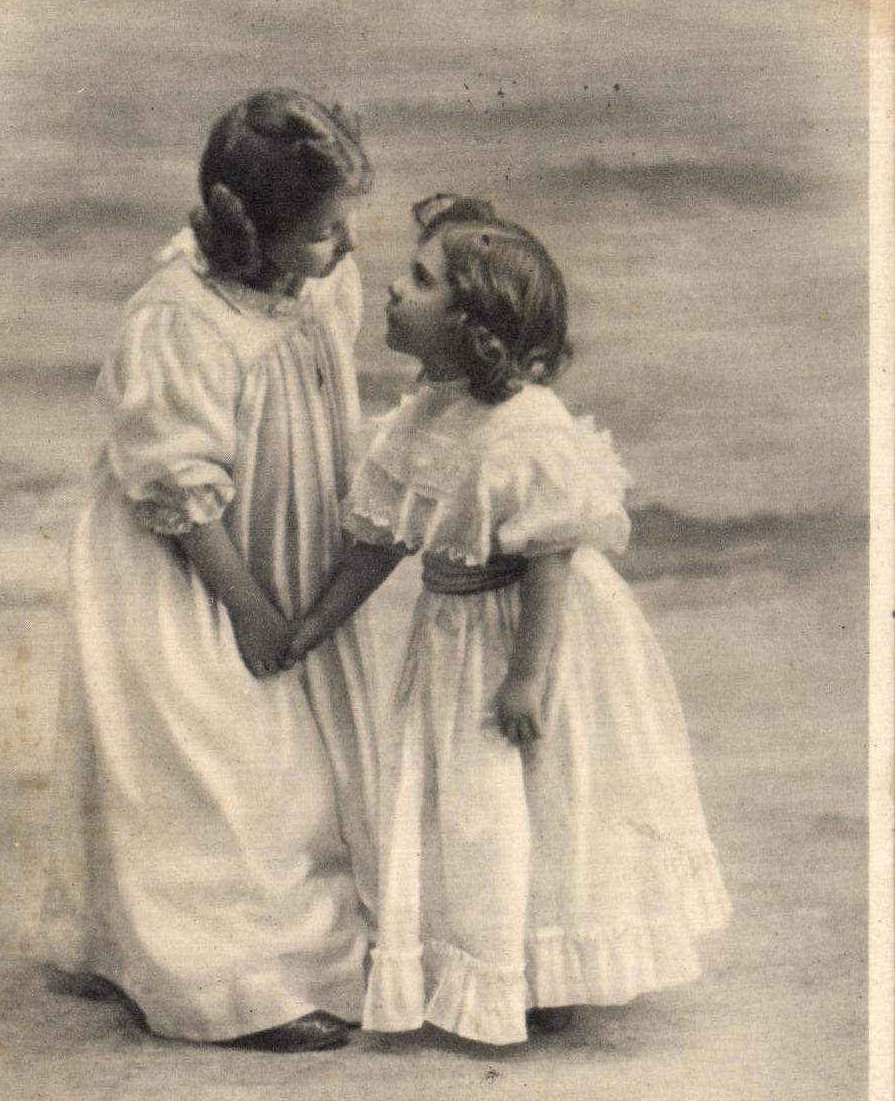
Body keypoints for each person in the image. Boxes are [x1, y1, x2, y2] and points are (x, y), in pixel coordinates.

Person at [283, 194, 731, 1047]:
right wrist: (314, 623)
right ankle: (485, 957)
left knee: (537, 800)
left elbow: (551, 559)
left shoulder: (525, 429)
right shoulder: (418, 421)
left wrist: (528, 675)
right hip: (452, 634)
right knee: (470, 804)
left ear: (474, 325)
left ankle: (537, 972)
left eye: (420, 281)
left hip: (536, 636)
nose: (391, 291)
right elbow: (381, 543)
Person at [42, 89, 378, 1052]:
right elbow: (178, 487)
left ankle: (290, 955)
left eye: (347, 223)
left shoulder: (310, 286)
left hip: (275, 545)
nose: (345, 249)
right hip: (191, 569)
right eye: (323, 231)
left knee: (305, 772)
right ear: (251, 227)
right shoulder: (179, 317)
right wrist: (250, 611)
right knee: (220, 765)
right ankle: (231, 983)